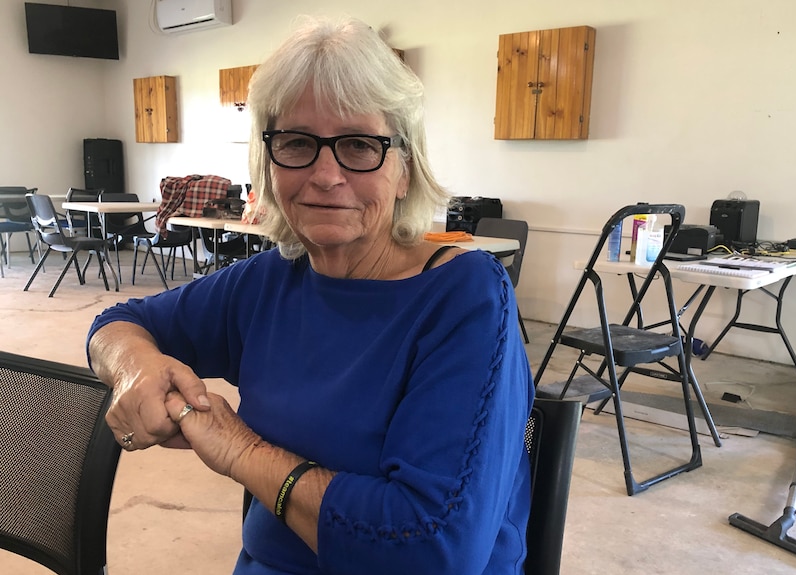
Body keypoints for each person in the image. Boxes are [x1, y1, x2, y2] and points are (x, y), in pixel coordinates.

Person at [87, 15, 534, 575]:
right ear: (269, 163)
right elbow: (117, 321)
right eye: (297, 142)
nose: (325, 175)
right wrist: (135, 367)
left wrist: (242, 451)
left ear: (404, 169)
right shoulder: (271, 280)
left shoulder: (464, 297)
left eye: (357, 144)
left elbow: (433, 550)